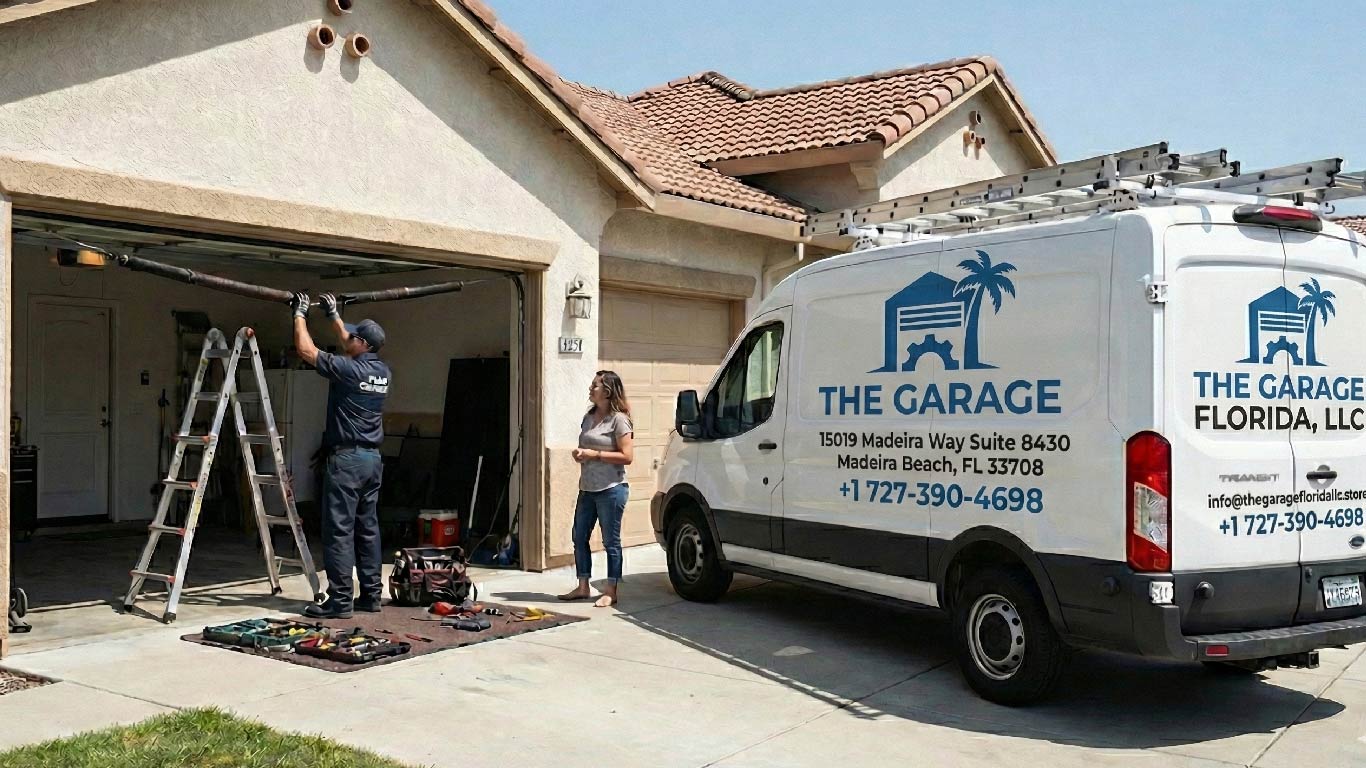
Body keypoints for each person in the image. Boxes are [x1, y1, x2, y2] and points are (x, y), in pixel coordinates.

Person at [290, 291, 391, 619]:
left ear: (362, 344)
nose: (347, 339)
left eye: (353, 337)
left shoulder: (350, 370)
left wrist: (300, 314)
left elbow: (306, 351)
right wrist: (333, 315)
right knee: (367, 528)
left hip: (347, 461)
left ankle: (340, 601)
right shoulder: (382, 372)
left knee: (339, 530)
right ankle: (372, 595)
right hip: (372, 461)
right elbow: (350, 339)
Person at [560, 370, 634, 607]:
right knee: (579, 536)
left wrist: (595, 454)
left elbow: (627, 456)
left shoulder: (619, 420)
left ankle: (611, 590)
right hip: (588, 488)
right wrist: (580, 455)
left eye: (595, 386)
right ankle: (583, 586)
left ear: (608, 391)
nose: (590, 389)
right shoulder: (589, 416)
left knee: (610, 541)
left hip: (611, 489)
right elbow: (586, 446)